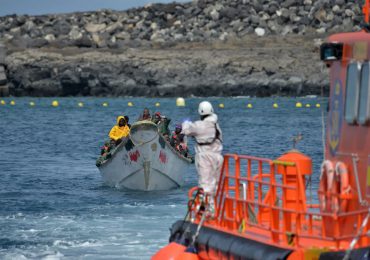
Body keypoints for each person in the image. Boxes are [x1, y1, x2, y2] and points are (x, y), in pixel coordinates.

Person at [182, 101, 223, 215]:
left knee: (205, 184)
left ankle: (208, 211)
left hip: (205, 156)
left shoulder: (200, 125)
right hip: (218, 157)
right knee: (215, 184)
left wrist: (186, 123)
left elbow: (186, 131)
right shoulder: (216, 126)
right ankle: (216, 207)